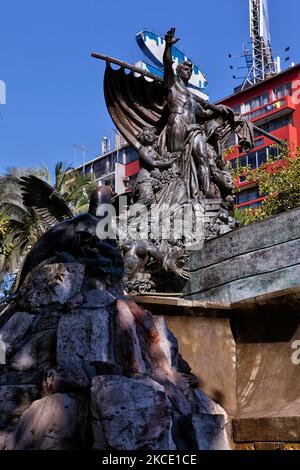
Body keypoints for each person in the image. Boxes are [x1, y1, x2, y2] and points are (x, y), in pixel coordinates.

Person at [162, 28, 233, 198]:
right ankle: (178, 194)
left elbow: (204, 114)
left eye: (191, 69)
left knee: (204, 158)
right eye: (186, 68)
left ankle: (207, 191)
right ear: (179, 71)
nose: (189, 71)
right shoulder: (172, 85)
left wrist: (221, 109)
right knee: (176, 161)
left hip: (193, 129)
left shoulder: (192, 97)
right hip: (177, 124)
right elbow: (166, 64)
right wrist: (168, 47)